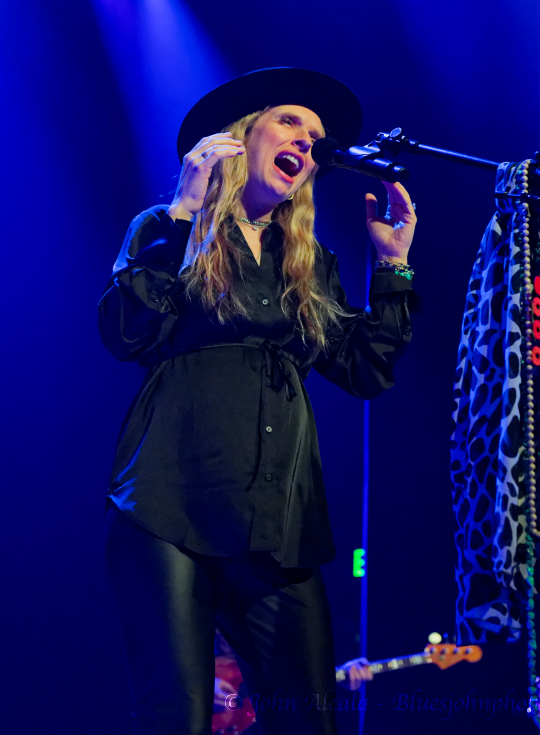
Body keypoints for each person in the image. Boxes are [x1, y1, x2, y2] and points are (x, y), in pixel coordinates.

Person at [99, 67, 417, 735]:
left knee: (307, 718)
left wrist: (392, 266)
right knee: (176, 715)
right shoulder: (163, 228)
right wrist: (183, 215)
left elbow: (362, 369)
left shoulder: (308, 261)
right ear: (239, 139)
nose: (308, 141)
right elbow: (128, 332)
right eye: (291, 122)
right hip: (169, 506)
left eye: (317, 136)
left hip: (277, 522)